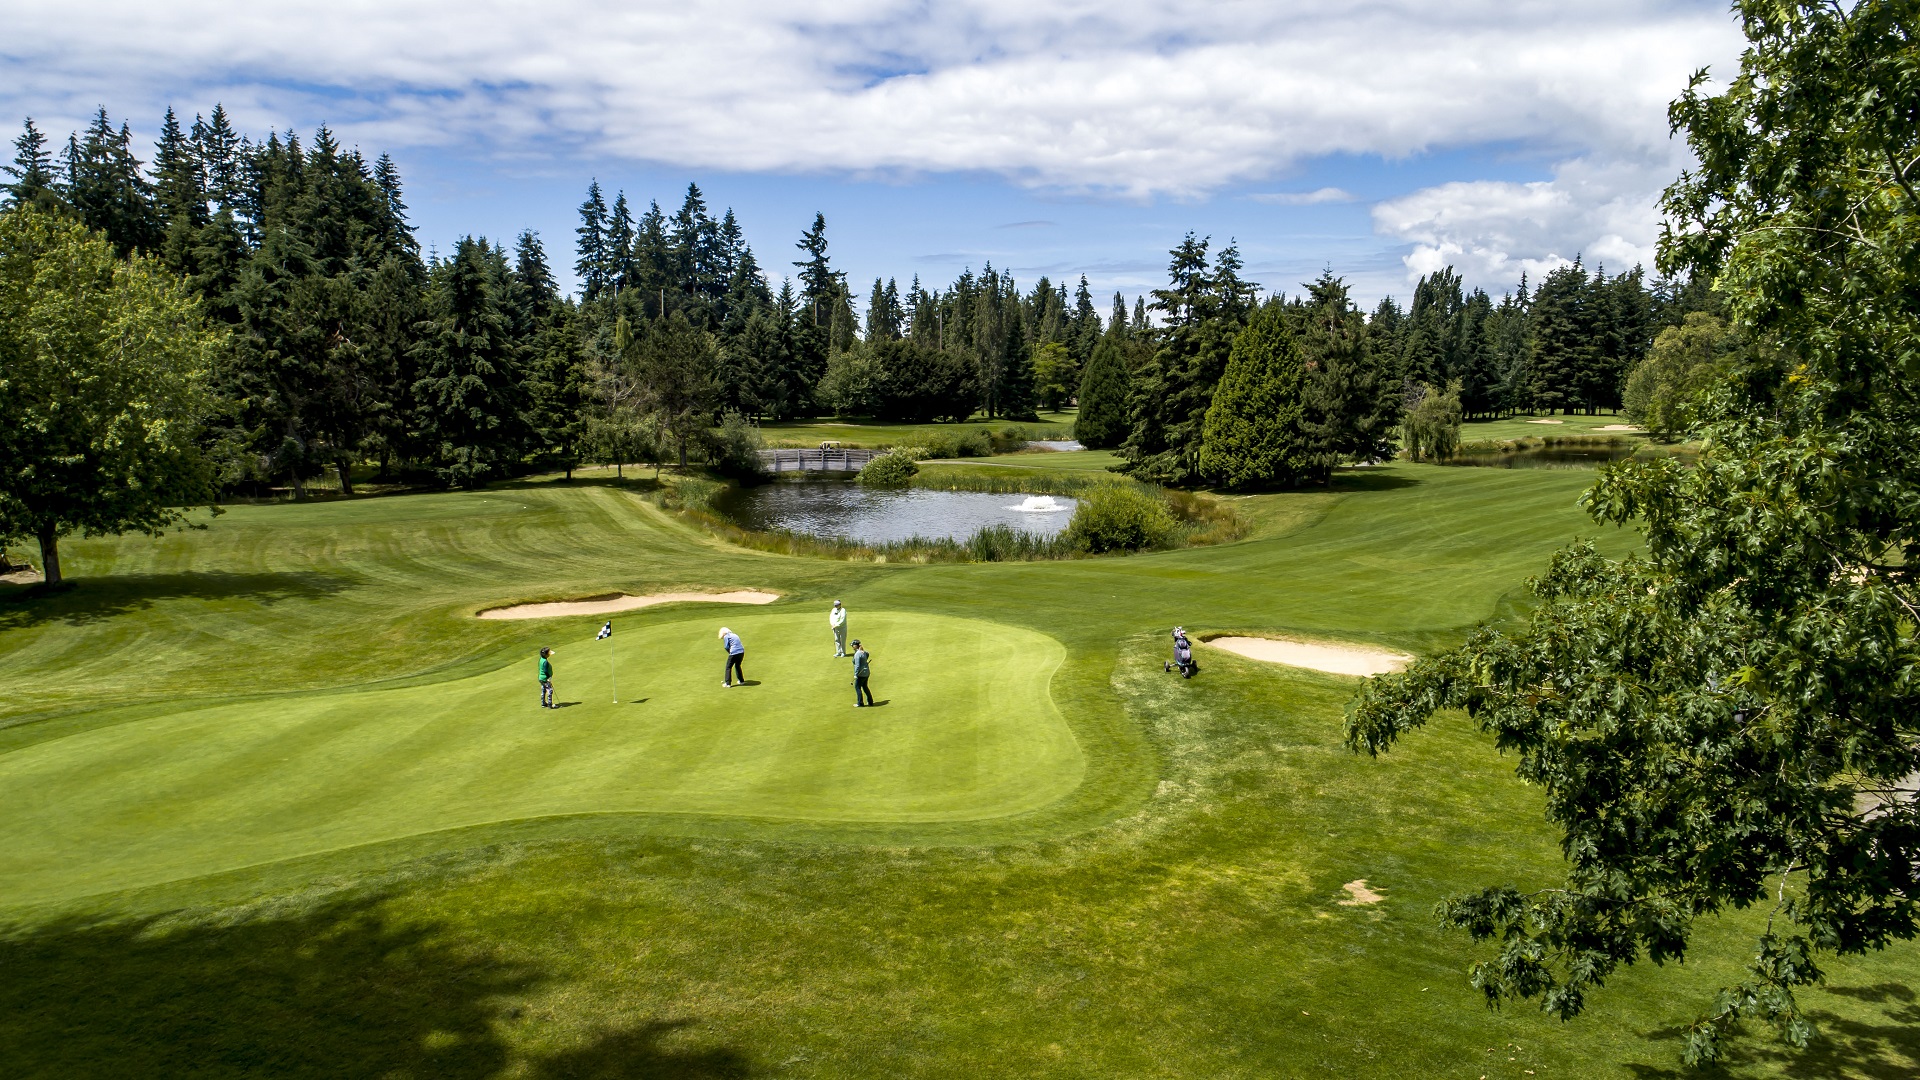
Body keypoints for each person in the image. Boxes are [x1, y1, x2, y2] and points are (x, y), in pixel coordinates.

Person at [851, 639, 873, 706]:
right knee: (865, 687)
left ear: (855, 646)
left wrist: (856, 674)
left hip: (861, 674)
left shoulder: (857, 654)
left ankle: (860, 703)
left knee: (857, 687)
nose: (852, 646)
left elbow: (857, 665)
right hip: (866, 673)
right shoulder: (863, 652)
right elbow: (867, 653)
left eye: (852, 645)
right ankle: (870, 702)